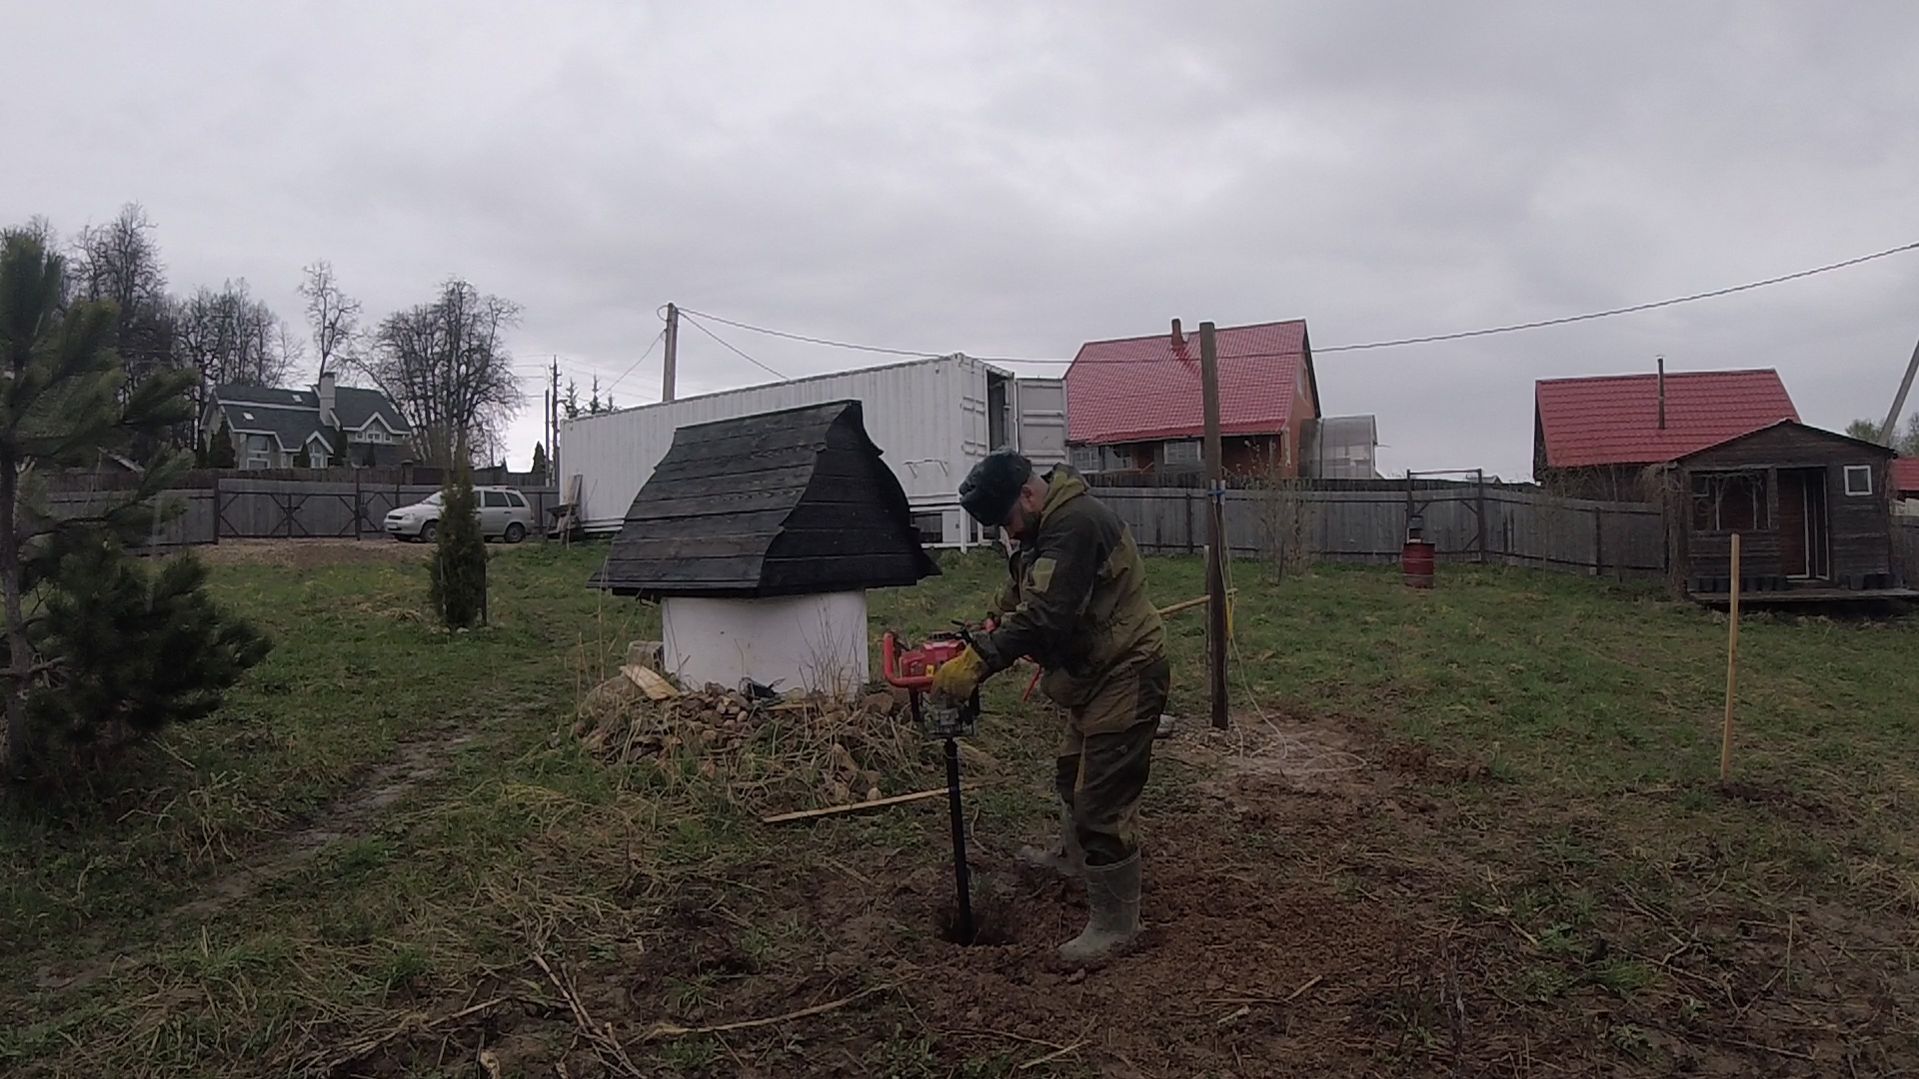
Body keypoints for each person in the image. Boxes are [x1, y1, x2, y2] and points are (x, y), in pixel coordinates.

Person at [930, 451, 1168, 967]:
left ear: (1028, 494)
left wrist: (981, 662)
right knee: (1071, 777)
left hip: (1126, 671)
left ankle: (1117, 924)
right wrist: (984, 628)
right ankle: (1074, 861)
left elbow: (1046, 614)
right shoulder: (1040, 528)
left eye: (1008, 522)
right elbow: (1019, 594)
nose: (1010, 535)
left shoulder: (1076, 525)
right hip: (1089, 674)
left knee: (1102, 801)